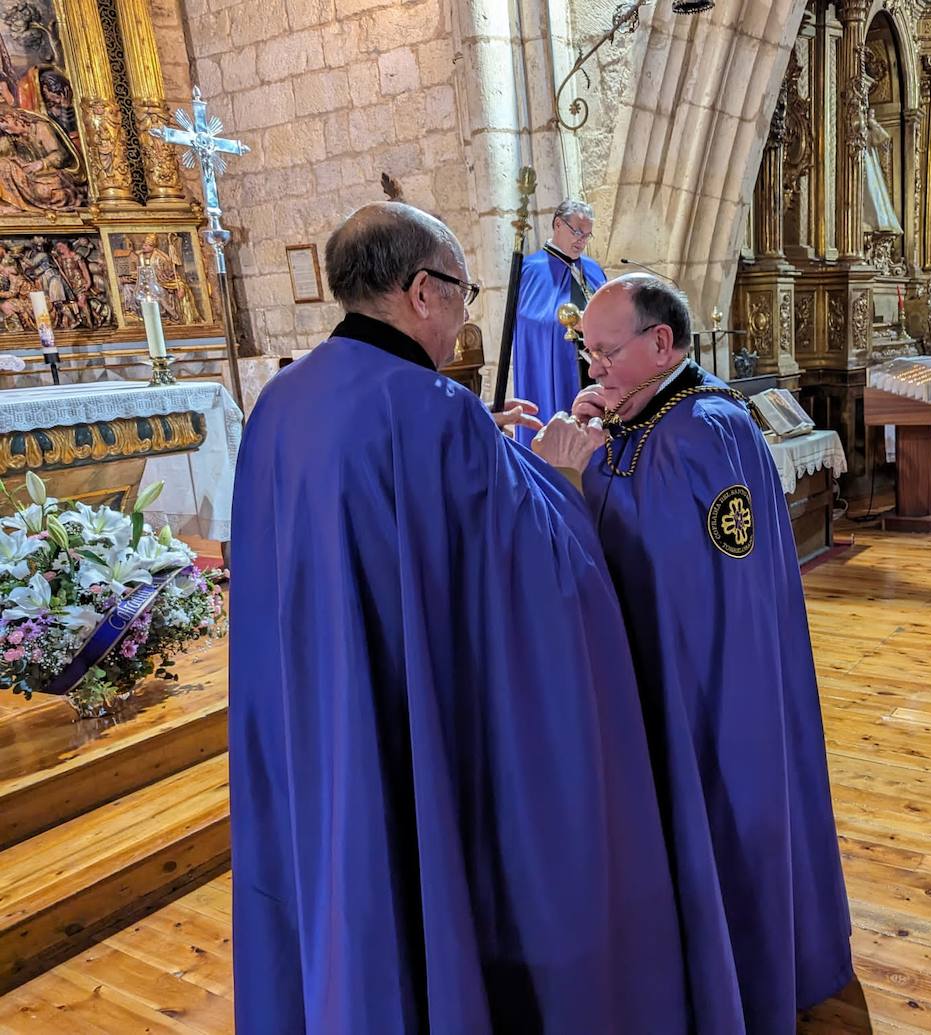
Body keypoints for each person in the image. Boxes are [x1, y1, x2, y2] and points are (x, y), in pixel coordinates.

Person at [229, 203, 690, 1034]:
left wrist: (482, 440)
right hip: (408, 719)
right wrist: (554, 473)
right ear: (420, 293)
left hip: (314, 713)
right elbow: (546, 579)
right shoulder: (431, 409)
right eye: (465, 293)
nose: (468, 315)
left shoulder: (279, 405)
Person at [541, 273, 854, 1034]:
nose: (594, 369)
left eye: (606, 353)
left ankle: (738, 983)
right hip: (712, 673)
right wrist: (605, 438)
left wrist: (577, 477)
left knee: (725, 824)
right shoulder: (665, 411)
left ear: (660, 344)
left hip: (715, 688)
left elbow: (672, 565)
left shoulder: (700, 429)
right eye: (589, 354)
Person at [510, 199, 605, 446]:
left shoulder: (593, 269)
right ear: (558, 225)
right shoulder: (532, 269)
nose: (582, 241)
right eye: (577, 232)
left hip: (598, 370)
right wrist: (572, 322)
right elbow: (529, 324)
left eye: (587, 235)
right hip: (559, 367)